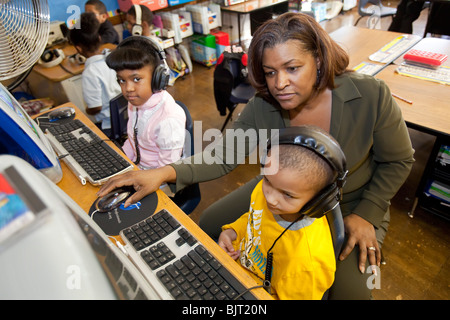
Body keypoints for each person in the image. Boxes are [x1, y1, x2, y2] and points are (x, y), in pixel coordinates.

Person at [98, 12, 415, 299]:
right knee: (210, 223)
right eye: (270, 72)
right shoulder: (264, 105)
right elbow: (223, 154)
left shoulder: (371, 95)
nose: (280, 83)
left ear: (318, 60)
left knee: (352, 295)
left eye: (292, 68)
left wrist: (368, 214)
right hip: (280, 188)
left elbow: (399, 160)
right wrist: (165, 172)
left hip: (353, 202)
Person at [219, 125, 346, 299]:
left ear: (319, 200)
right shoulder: (266, 191)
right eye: (267, 180)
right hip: (236, 270)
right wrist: (232, 232)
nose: (270, 198)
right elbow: (254, 218)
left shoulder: (307, 263)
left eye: (288, 195)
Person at [105, 36, 186, 170]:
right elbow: (133, 141)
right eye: (122, 80)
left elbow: (165, 172)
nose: (128, 88)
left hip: (158, 179)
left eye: (136, 79)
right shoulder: (136, 102)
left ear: (158, 78)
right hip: (138, 167)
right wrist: (119, 161)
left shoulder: (168, 120)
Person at [68, 12, 121, 137]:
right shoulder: (111, 57)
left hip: (109, 126)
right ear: (98, 38)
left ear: (78, 48)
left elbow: (95, 108)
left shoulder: (90, 72)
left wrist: (85, 110)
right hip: (125, 118)